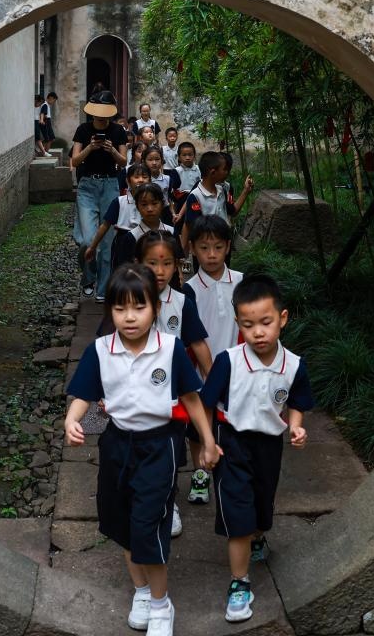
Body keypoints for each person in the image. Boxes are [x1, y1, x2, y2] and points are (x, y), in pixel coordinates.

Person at [65, 263, 221, 636]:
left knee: (148, 524)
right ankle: (141, 591)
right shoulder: (101, 350)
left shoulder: (170, 349)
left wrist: (208, 440)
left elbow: (191, 397)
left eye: (139, 307)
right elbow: (84, 393)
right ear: (110, 311)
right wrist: (72, 419)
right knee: (122, 523)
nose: (130, 317)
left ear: (155, 307)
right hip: (117, 444)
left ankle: (162, 604)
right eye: (120, 308)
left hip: (159, 444)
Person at [200, 274, 313, 622]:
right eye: (248, 325)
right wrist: (208, 442)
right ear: (238, 324)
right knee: (238, 515)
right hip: (231, 442)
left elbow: (297, 402)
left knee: (262, 506)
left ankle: (258, 536)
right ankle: (240, 582)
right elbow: (205, 404)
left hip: (268, 445)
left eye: (265, 322)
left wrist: (296, 426)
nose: (258, 333)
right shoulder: (228, 361)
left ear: (282, 318)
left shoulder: (294, 365)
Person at [137, 230, 213, 540]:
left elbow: (198, 343)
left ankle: (169, 504)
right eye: (152, 263)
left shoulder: (182, 303)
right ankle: (144, 497)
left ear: (177, 266)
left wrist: (213, 382)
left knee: (170, 450)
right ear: (138, 263)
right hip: (136, 391)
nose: (159, 271)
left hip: (172, 394)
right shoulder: (128, 300)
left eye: (167, 263)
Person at [182, 215, 243, 507]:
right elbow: (193, 337)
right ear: (193, 248)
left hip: (238, 371)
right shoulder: (189, 290)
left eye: (218, 247)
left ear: (228, 247)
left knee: (233, 425)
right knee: (198, 427)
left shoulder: (241, 283)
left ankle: (234, 473)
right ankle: (200, 473)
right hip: (201, 373)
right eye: (204, 248)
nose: (211, 255)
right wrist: (207, 372)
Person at [71, 91, 127, 302]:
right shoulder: (83, 130)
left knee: (107, 242)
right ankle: (88, 278)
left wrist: (112, 150)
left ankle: (103, 289)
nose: (101, 117)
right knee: (87, 241)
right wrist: (90, 148)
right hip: (87, 186)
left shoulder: (118, 131)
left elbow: (123, 162)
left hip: (110, 185)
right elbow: (75, 161)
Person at [180, 151, 254, 256]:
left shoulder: (222, 190)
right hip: (205, 247)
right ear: (213, 172)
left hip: (223, 243)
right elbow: (190, 225)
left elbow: (232, 211)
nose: (227, 173)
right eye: (225, 169)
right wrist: (184, 251)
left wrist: (245, 191)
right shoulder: (196, 195)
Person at [84, 163, 151, 273]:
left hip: (146, 241)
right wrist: (92, 247)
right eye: (136, 177)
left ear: (150, 181)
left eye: (144, 177)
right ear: (128, 181)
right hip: (123, 242)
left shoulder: (153, 203)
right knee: (121, 273)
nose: (141, 180)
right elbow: (105, 225)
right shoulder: (119, 202)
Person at [142, 146, 179, 223]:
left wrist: (173, 213)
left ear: (162, 161)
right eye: (150, 160)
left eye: (157, 159)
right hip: (148, 211)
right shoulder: (142, 180)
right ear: (144, 161)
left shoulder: (167, 179)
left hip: (165, 213)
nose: (154, 163)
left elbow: (169, 199)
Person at [172, 141, 201, 224]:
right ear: (179, 157)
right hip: (182, 201)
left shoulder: (199, 169)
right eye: (184, 155)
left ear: (194, 156)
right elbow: (175, 190)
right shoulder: (177, 171)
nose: (187, 157)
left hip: (198, 200)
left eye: (190, 155)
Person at [40, 91, 58, 157]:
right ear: (50, 98)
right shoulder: (45, 105)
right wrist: (43, 119)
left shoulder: (47, 105)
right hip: (46, 122)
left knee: (51, 138)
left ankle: (45, 151)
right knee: (48, 139)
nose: (54, 102)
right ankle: (45, 152)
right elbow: (42, 113)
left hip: (48, 122)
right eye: (54, 100)